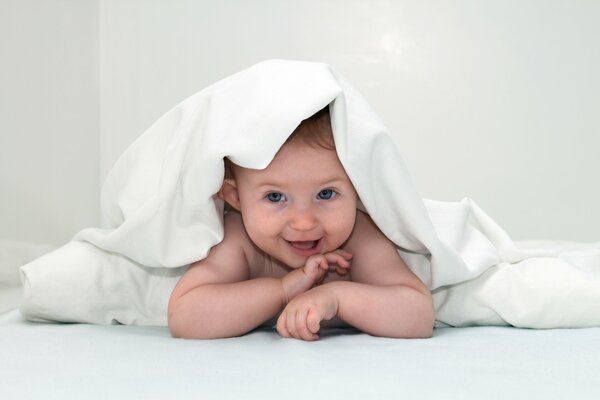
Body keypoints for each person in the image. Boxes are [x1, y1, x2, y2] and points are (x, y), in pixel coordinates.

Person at [168, 107, 435, 341]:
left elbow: (419, 314)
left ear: (358, 189)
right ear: (236, 198)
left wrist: (337, 298)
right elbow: (185, 316)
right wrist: (281, 291)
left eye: (326, 194)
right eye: (275, 197)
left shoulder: (359, 236)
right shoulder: (238, 239)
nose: (304, 222)